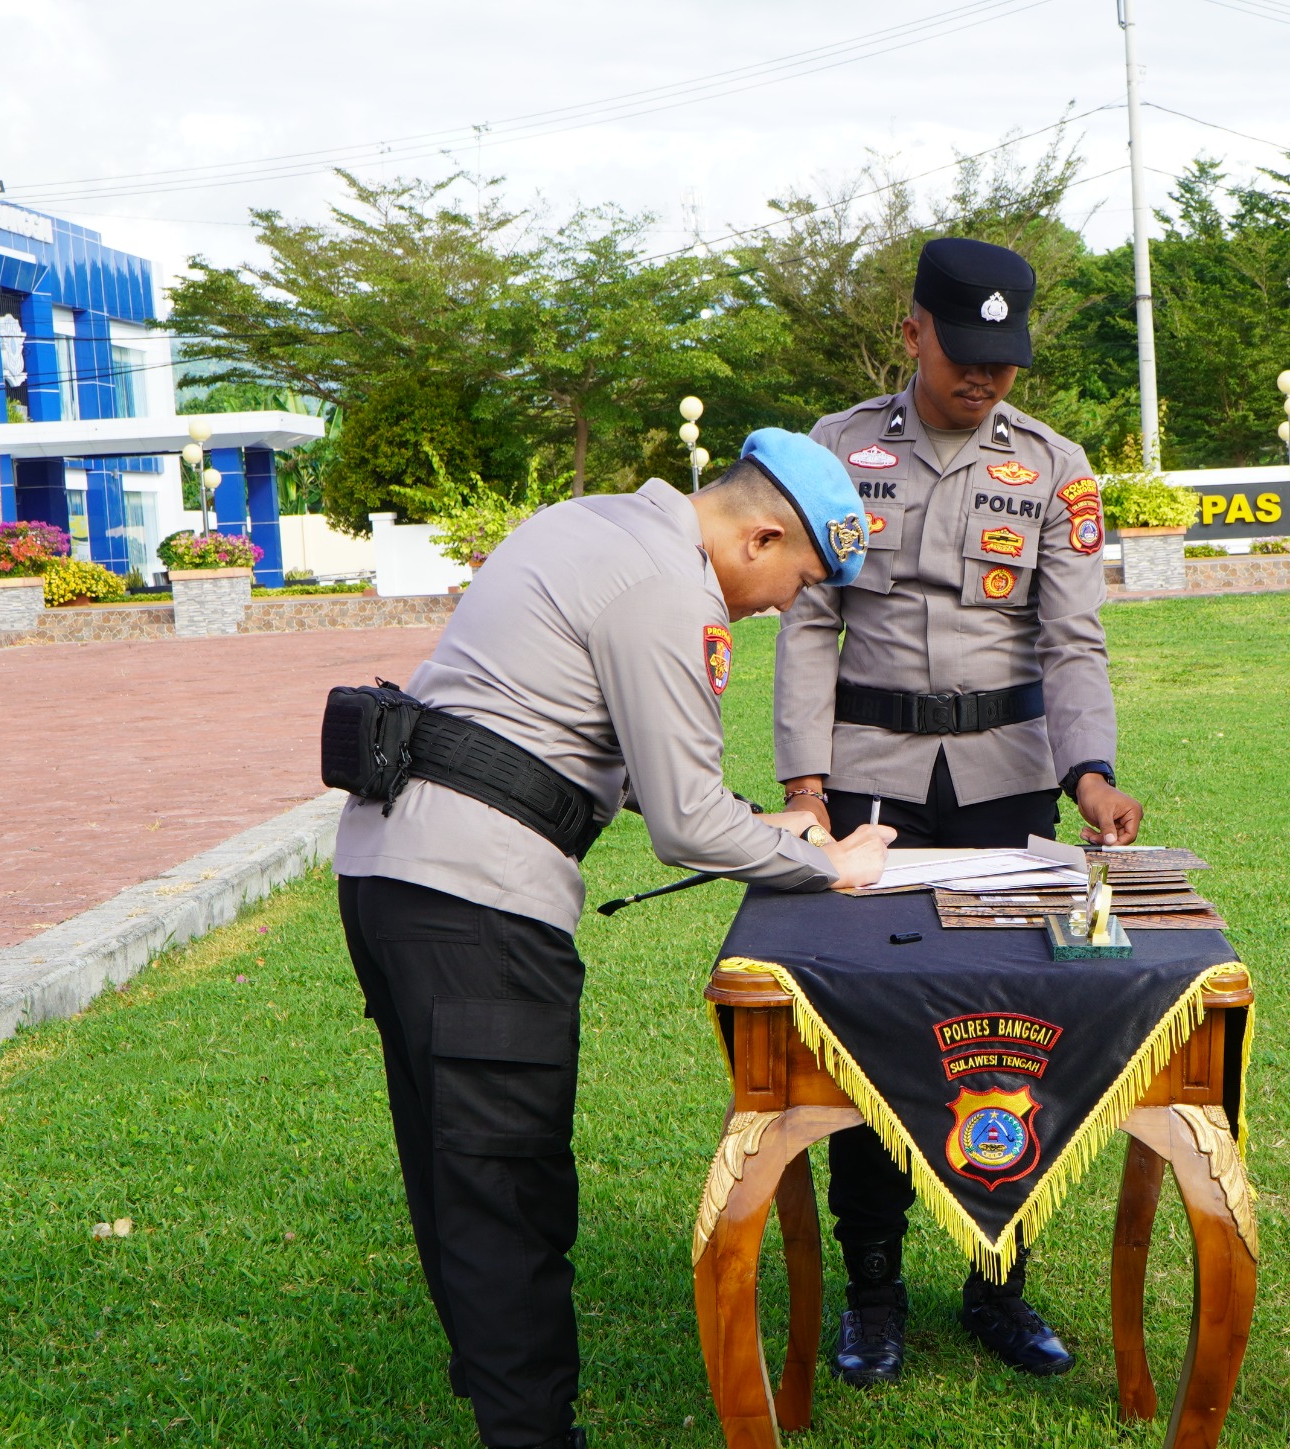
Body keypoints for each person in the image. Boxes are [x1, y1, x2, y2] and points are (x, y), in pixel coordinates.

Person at [334, 430, 896, 1449]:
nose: (783, 606)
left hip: (393, 881)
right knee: (509, 1192)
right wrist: (832, 864)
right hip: (478, 903)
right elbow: (684, 822)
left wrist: (768, 828)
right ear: (760, 534)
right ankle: (532, 1432)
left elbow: (598, 746)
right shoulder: (667, 588)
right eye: (796, 579)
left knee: (456, 1173)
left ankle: (502, 1395)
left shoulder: (590, 522)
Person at [771, 236, 1144, 1386]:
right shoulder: (840, 449)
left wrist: (1088, 771)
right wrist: (801, 787)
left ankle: (1000, 1283)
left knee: (1012, 1023)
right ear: (913, 331)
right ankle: (873, 1293)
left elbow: (1069, 639)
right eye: (965, 357)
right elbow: (806, 624)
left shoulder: (1053, 465)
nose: (985, 382)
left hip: (1008, 780)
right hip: (871, 776)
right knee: (866, 1024)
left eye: (1005, 363)